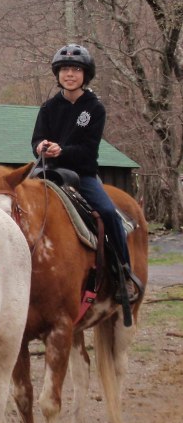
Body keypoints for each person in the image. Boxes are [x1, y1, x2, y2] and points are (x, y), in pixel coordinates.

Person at [31, 43, 140, 302]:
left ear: (85, 75)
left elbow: (88, 150)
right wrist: (41, 147)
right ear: (58, 74)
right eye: (65, 69)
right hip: (48, 172)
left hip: (82, 176)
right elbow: (36, 140)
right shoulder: (48, 107)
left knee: (108, 213)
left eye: (76, 70)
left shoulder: (94, 108)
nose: (70, 74)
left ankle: (123, 273)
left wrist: (62, 151)